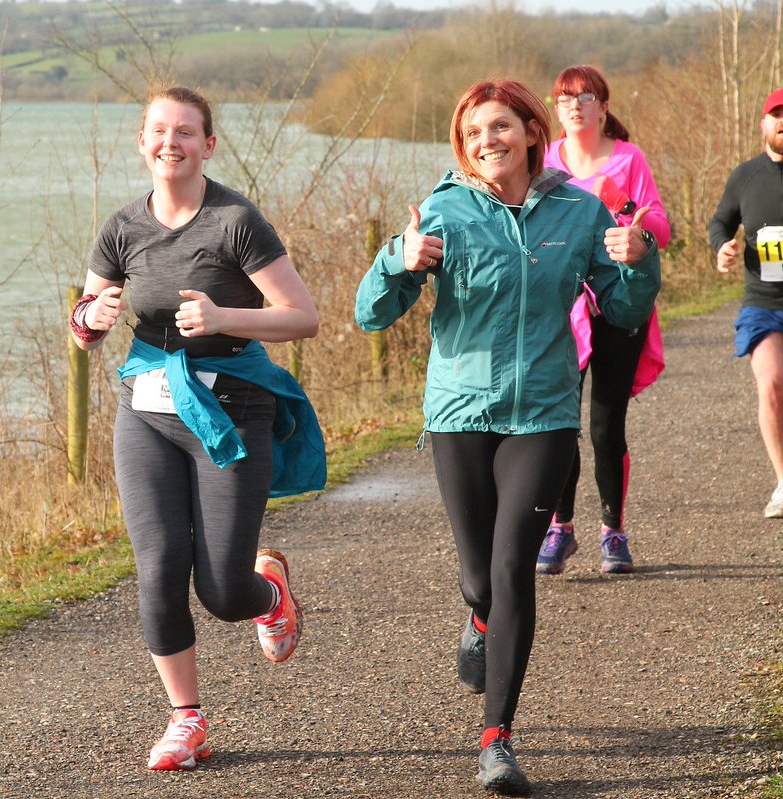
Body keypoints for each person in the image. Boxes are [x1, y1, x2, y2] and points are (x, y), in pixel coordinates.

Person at [355, 78, 660, 795]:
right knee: (479, 579)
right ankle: (480, 619)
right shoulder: (444, 211)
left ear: (529, 131)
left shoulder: (579, 211)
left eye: (499, 127)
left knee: (513, 566)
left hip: (544, 414)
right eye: (472, 133)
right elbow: (373, 314)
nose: (486, 141)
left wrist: (639, 260)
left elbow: (622, 311)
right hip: (460, 413)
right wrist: (398, 260)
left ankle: (497, 740)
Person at [70, 85, 325, 772]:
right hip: (146, 409)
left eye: (185, 132)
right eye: (159, 130)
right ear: (142, 141)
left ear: (208, 145)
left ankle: (269, 593)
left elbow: (302, 317)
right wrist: (90, 320)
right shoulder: (122, 227)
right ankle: (187, 719)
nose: (170, 142)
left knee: (221, 591)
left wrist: (222, 318)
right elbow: (85, 320)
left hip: (230, 411)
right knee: (157, 569)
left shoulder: (235, 221)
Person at [536, 65, 672, 575]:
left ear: (604, 106)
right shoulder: (544, 161)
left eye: (585, 97)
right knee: (559, 423)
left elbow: (660, 227)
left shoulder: (629, 159)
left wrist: (630, 215)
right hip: (561, 308)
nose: (575, 106)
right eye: (564, 98)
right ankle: (560, 528)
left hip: (618, 304)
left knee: (605, 425)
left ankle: (613, 531)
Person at [709, 87, 783, 518]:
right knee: (771, 383)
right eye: (776, 114)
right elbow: (720, 221)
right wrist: (722, 247)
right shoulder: (746, 176)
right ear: (763, 124)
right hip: (764, 303)